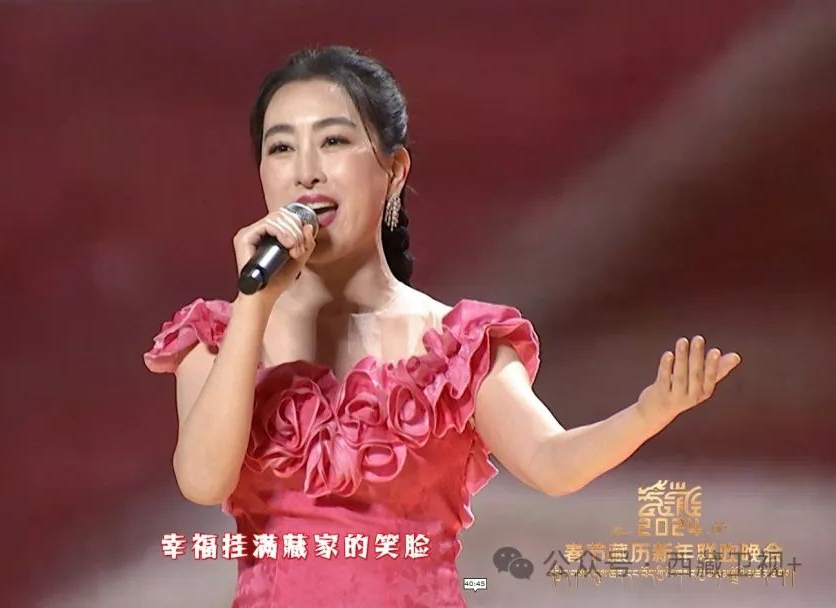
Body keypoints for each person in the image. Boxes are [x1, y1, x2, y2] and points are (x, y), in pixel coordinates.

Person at [143, 45, 742, 607]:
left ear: (394, 171)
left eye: (333, 141)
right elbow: (202, 480)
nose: (305, 172)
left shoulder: (457, 345)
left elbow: (552, 462)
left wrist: (647, 413)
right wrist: (254, 304)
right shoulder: (219, 338)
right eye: (280, 148)